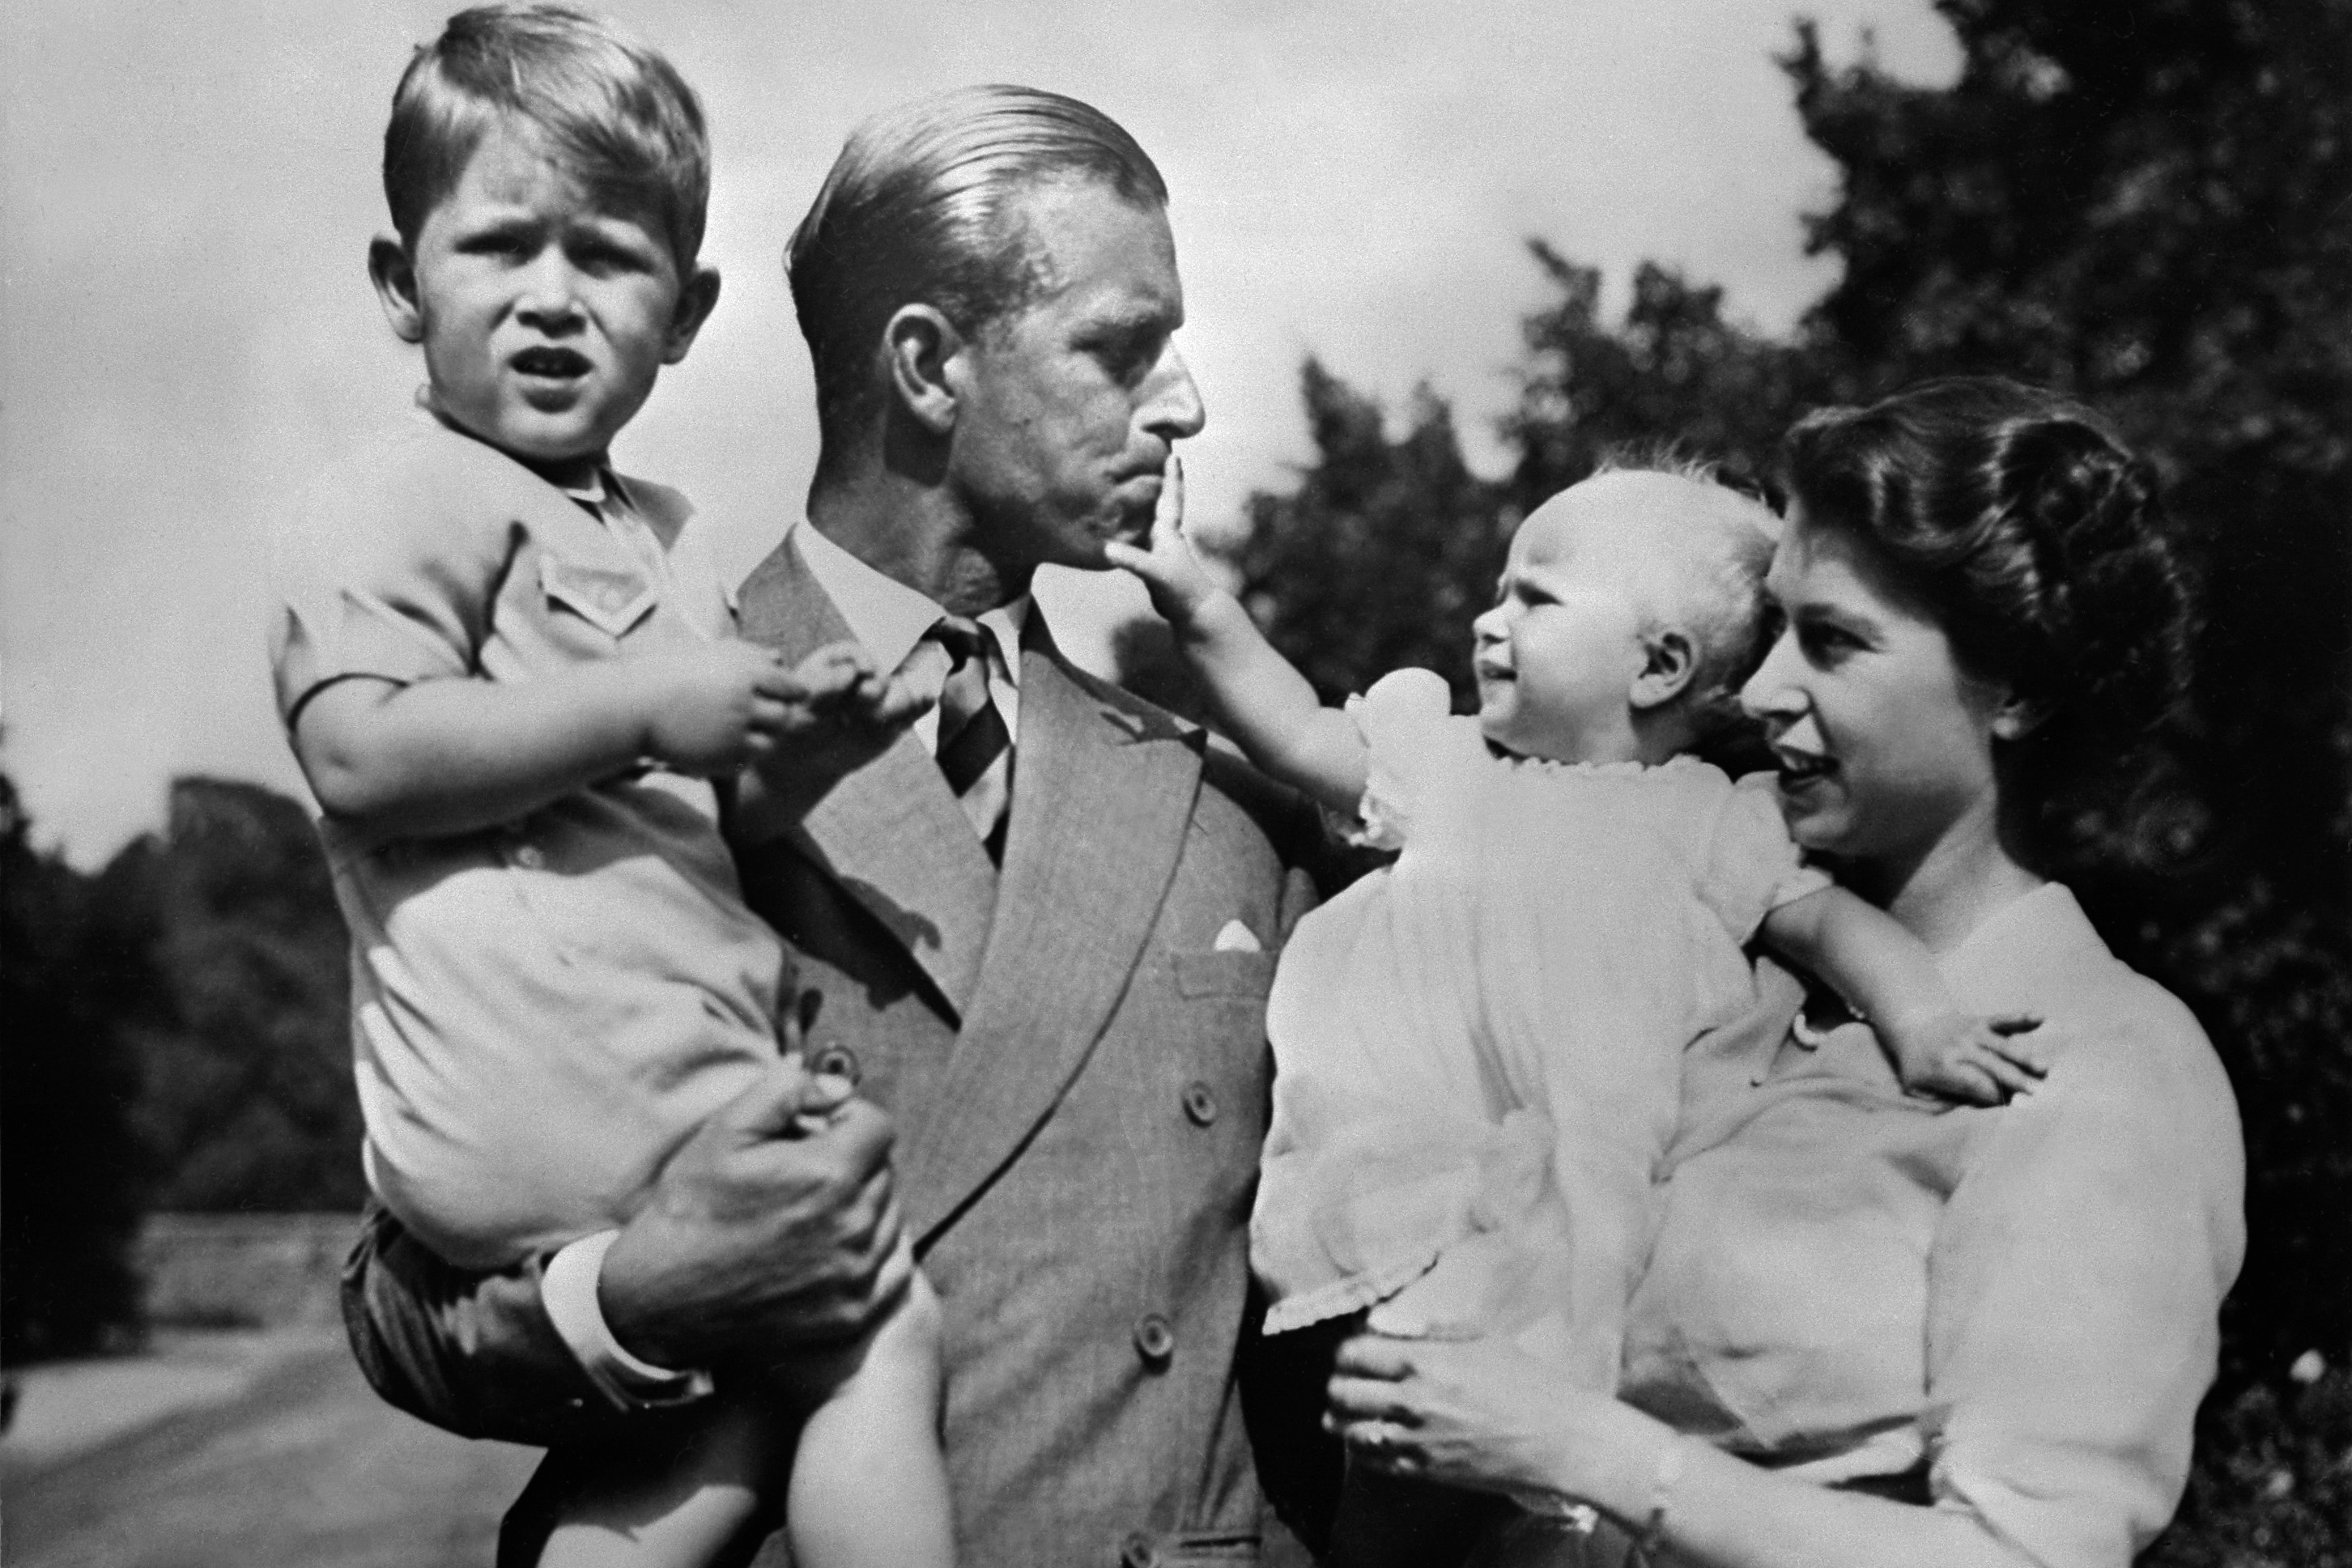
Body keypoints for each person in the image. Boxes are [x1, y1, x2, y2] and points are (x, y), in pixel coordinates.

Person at [334, 82, 1331, 1568]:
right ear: (927, 366)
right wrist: (638, 1296)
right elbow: (398, 1295)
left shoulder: (1228, 804)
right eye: (1123, 349)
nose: (1182, 403)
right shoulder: (606, 731)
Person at [1322, 378, 2246, 1568]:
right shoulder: (1716, 973)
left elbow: (2027, 1556)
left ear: (2015, 691)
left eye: (1834, 641)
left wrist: (1585, 1451)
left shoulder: (2104, 1070)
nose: (1756, 691)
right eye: (1772, 629)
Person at [270, 10, 959, 1567]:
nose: (551, 301)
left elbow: (698, 823)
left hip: (650, 1077)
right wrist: (654, 696)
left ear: (688, 310)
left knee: (731, 1414)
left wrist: (798, 755)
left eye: (608, 259)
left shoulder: (661, 530)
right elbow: (358, 754)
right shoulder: (400, 494)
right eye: (497, 249)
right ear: (401, 285)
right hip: (551, 1092)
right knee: (877, 1329)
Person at [1115, 461, 2048, 1560]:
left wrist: (1925, 1020)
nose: (1485, 617)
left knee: (1514, 1507)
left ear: (1658, 665)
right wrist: (1198, 602)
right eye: (1499, 588)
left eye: (1533, 598)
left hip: (1566, 1235)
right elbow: (1297, 732)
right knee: (1388, 1485)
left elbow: (1835, 930)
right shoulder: (1449, 761)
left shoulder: (1712, 822)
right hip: (1396, 1196)